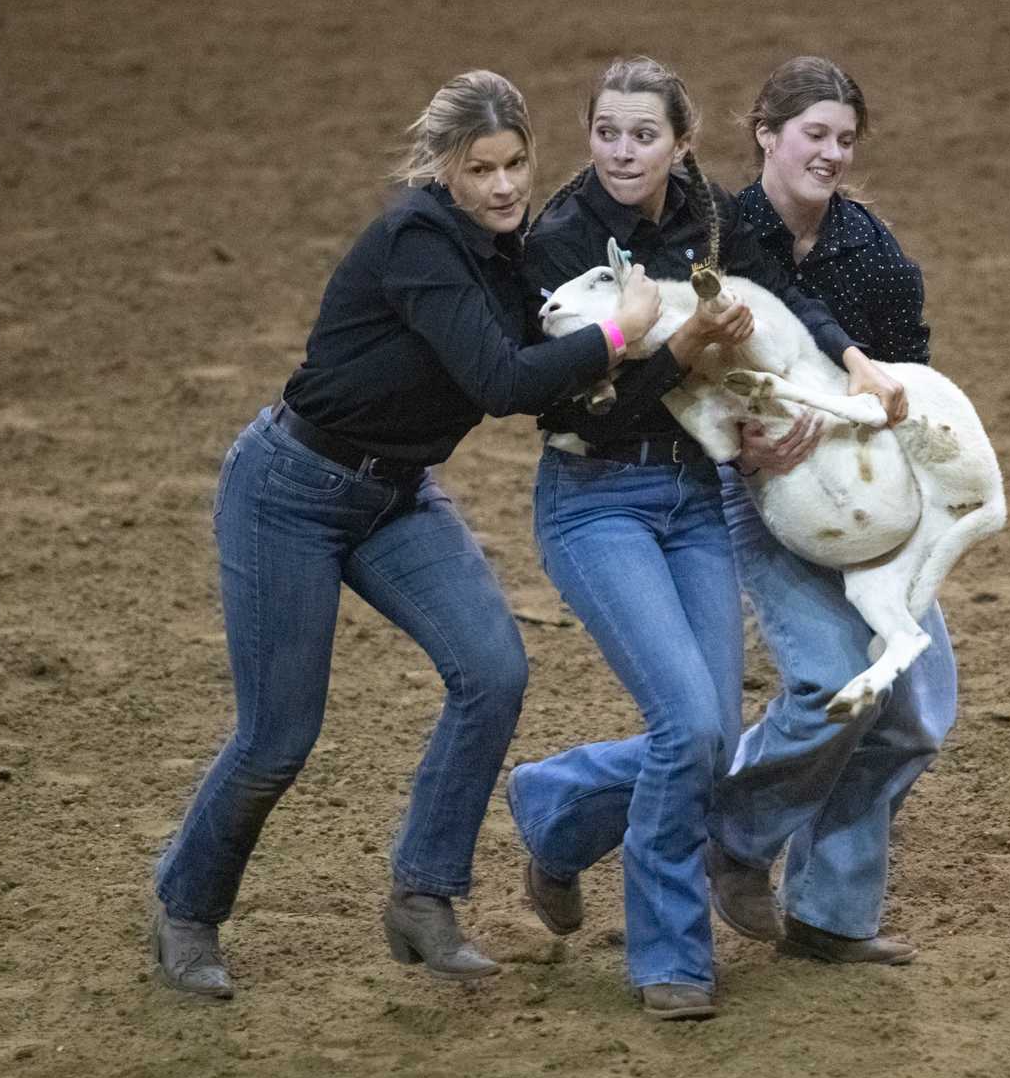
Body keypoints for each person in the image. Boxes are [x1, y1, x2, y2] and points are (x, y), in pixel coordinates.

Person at [148, 71, 661, 999]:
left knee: (494, 670)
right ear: (442, 169)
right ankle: (187, 907)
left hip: (397, 494)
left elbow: (550, 342)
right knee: (279, 736)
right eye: (482, 170)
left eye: (516, 164)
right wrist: (620, 337)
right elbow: (502, 380)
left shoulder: (509, 250)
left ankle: (423, 891)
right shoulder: (416, 241)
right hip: (289, 491)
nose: (504, 186)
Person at [502, 56, 904, 1020]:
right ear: (589, 135)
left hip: (689, 493)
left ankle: (557, 810)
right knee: (689, 725)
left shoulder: (707, 218)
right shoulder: (557, 240)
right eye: (607, 132)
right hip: (596, 497)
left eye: (645, 134)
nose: (623, 151)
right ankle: (671, 957)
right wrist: (683, 352)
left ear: (681, 143)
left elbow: (778, 300)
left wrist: (843, 358)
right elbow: (570, 407)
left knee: (713, 734)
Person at [705, 55, 956, 966]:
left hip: (862, 500)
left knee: (915, 710)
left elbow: (912, 381)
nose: (832, 153)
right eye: (815, 134)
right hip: (759, 495)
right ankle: (732, 838)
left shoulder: (877, 257)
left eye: (845, 138)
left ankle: (828, 912)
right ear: (766, 133)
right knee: (829, 684)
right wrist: (738, 439)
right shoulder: (723, 235)